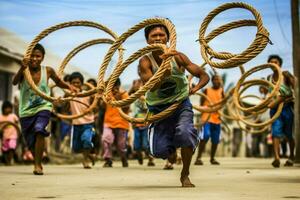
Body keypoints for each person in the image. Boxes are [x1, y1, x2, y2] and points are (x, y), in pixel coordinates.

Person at [138, 22, 209, 187]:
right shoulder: (145, 62)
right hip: (158, 108)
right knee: (158, 152)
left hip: (180, 103)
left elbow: (204, 75)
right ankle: (171, 153)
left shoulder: (178, 57)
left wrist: (195, 88)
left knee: (185, 133)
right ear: (148, 41)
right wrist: (162, 75)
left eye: (161, 35)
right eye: (153, 36)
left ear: (168, 38)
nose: (158, 38)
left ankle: (185, 174)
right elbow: (150, 85)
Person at [12, 43, 76, 175]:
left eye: (38, 56)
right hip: (26, 111)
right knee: (30, 142)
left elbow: (58, 82)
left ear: (42, 57)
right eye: (32, 56)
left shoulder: (47, 71)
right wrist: (22, 67)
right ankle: (38, 158)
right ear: (28, 57)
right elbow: (14, 82)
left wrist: (70, 87)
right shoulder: (24, 70)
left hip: (43, 106)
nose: (35, 59)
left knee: (39, 130)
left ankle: (37, 165)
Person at [267, 55, 295, 168]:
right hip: (275, 110)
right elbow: (268, 94)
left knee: (289, 134)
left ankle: (292, 156)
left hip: (287, 108)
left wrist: (288, 98)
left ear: (280, 64)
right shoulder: (268, 78)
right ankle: (277, 158)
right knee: (275, 133)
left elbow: (295, 89)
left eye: (276, 62)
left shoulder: (286, 75)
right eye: (271, 62)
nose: (274, 64)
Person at [194, 74, 225, 165]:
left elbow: (223, 103)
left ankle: (212, 158)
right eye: (215, 79)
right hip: (206, 118)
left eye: (218, 79)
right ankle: (198, 158)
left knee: (215, 140)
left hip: (217, 119)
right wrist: (206, 109)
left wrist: (219, 111)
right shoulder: (207, 90)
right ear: (212, 81)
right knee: (205, 136)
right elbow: (201, 103)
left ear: (221, 81)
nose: (217, 81)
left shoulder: (222, 91)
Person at [68, 72, 96, 169]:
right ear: (70, 84)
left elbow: (94, 104)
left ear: (82, 84)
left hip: (88, 123)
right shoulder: (69, 95)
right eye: (73, 83)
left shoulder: (86, 94)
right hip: (76, 124)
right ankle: (89, 155)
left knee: (86, 140)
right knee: (76, 148)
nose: (76, 85)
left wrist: (91, 105)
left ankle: (85, 161)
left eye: (78, 83)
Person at [102, 78, 130, 167]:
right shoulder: (107, 94)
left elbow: (127, 108)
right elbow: (102, 106)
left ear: (118, 86)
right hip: (108, 122)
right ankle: (108, 159)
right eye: (111, 87)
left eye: (115, 87)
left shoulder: (124, 94)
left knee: (121, 145)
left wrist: (119, 100)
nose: (113, 89)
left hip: (121, 123)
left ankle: (123, 157)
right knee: (106, 139)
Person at [129, 79, 155, 166]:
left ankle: (150, 158)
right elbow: (133, 111)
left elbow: (148, 108)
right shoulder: (134, 99)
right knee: (136, 145)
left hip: (145, 125)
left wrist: (143, 99)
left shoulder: (149, 98)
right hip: (136, 125)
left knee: (145, 144)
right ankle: (139, 156)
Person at [0, 101, 19, 165]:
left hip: (13, 135)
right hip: (5, 136)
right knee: (5, 149)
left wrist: (18, 130)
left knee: (11, 147)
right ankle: (7, 160)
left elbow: (17, 123)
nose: (8, 109)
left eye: (10, 108)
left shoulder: (13, 116)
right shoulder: (1, 117)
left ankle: (9, 161)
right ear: (3, 109)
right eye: (6, 108)